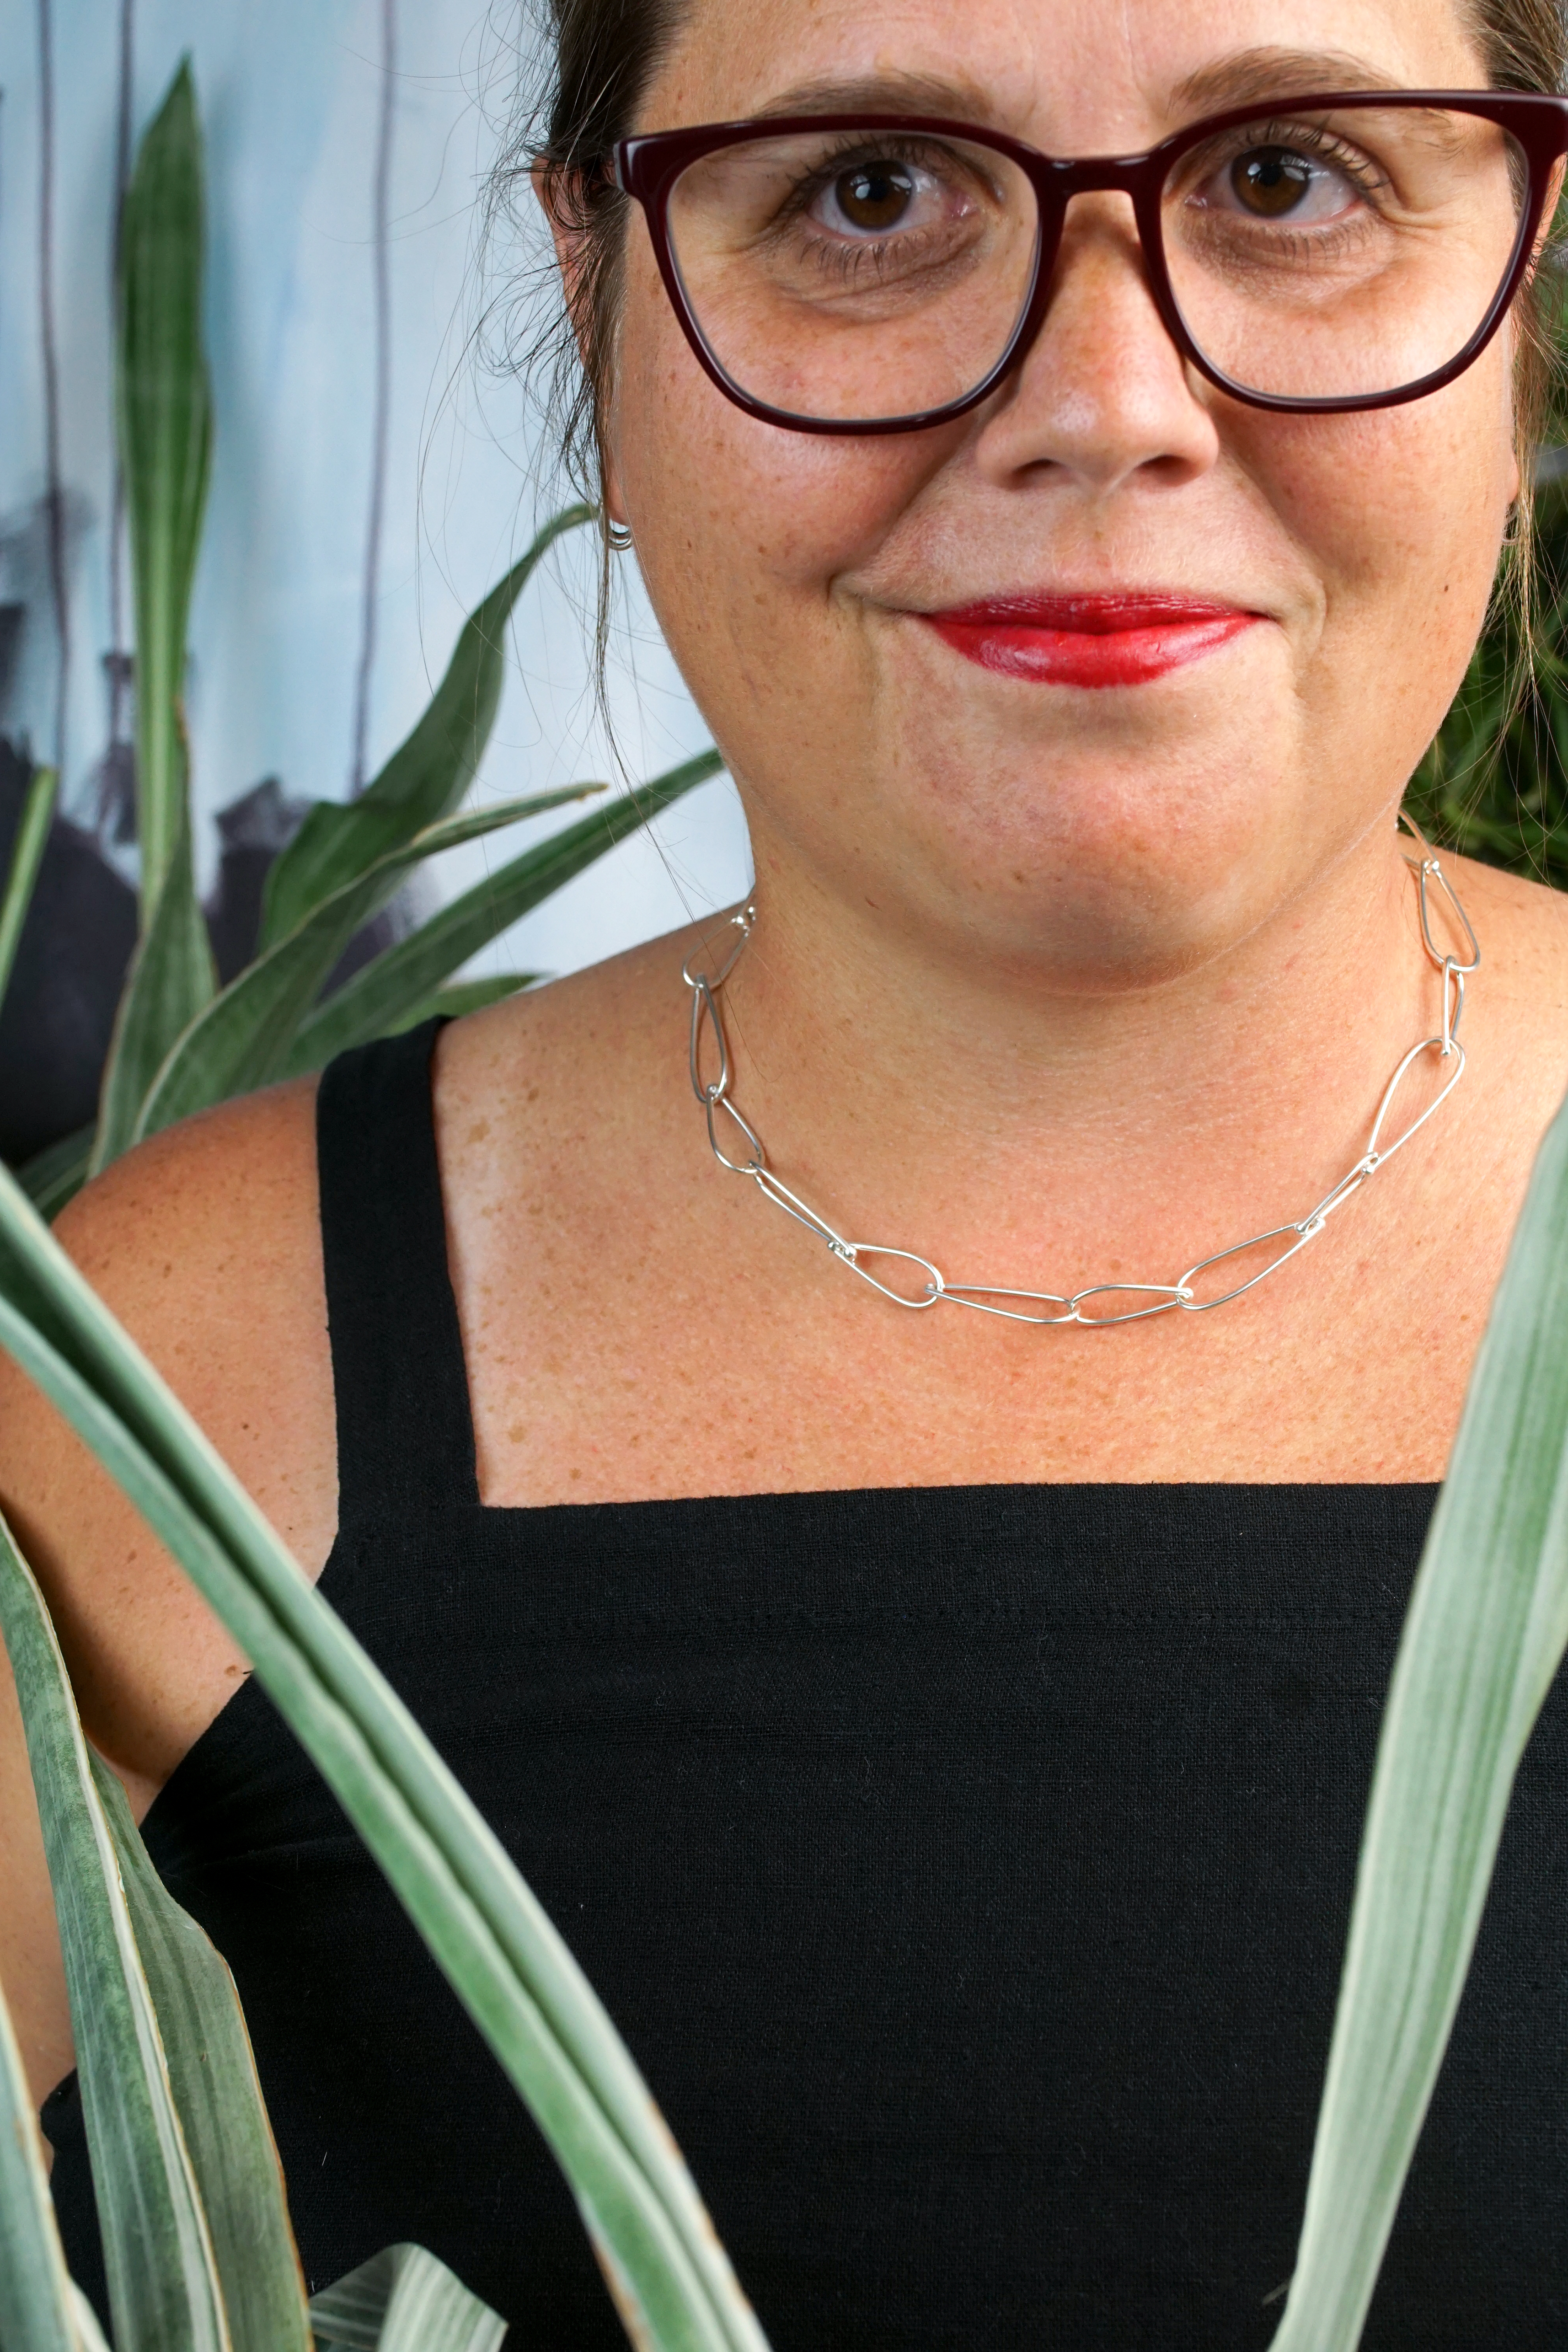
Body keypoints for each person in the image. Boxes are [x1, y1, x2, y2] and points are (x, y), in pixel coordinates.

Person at [6, 0, 1568, 2341]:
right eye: (868, 196)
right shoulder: (156, 1411)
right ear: (596, 299)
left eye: (1287, 179)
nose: (1107, 401)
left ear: (1526, 295)